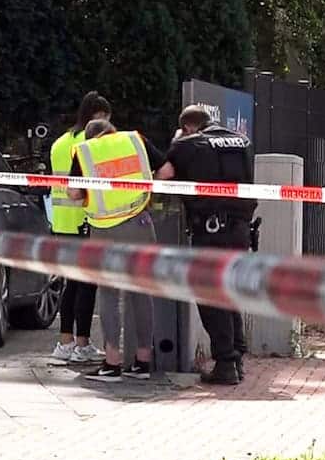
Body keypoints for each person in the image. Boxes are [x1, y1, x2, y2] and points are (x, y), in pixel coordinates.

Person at [156, 105, 257, 385]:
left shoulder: (188, 143)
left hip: (211, 229)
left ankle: (225, 363)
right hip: (240, 229)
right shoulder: (242, 141)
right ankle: (236, 359)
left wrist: (177, 143)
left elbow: (163, 174)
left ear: (188, 126)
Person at [68, 119, 172, 382]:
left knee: (109, 294)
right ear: (112, 131)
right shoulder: (135, 140)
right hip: (140, 223)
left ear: (91, 137)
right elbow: (168, 171)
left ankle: (112, 363)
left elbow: (74, 193)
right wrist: (144, 193)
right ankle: (142, 362)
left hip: (105, 230)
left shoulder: (85, 151)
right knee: (141, 292)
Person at [49, 92, 109, 364]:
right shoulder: (90, 142)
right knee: (86, 285)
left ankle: (65, 342)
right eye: (105, 119)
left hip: (62, 222)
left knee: (70, 284)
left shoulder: (60, 142)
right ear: (96, 116)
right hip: (85, 221)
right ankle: (82, 343)